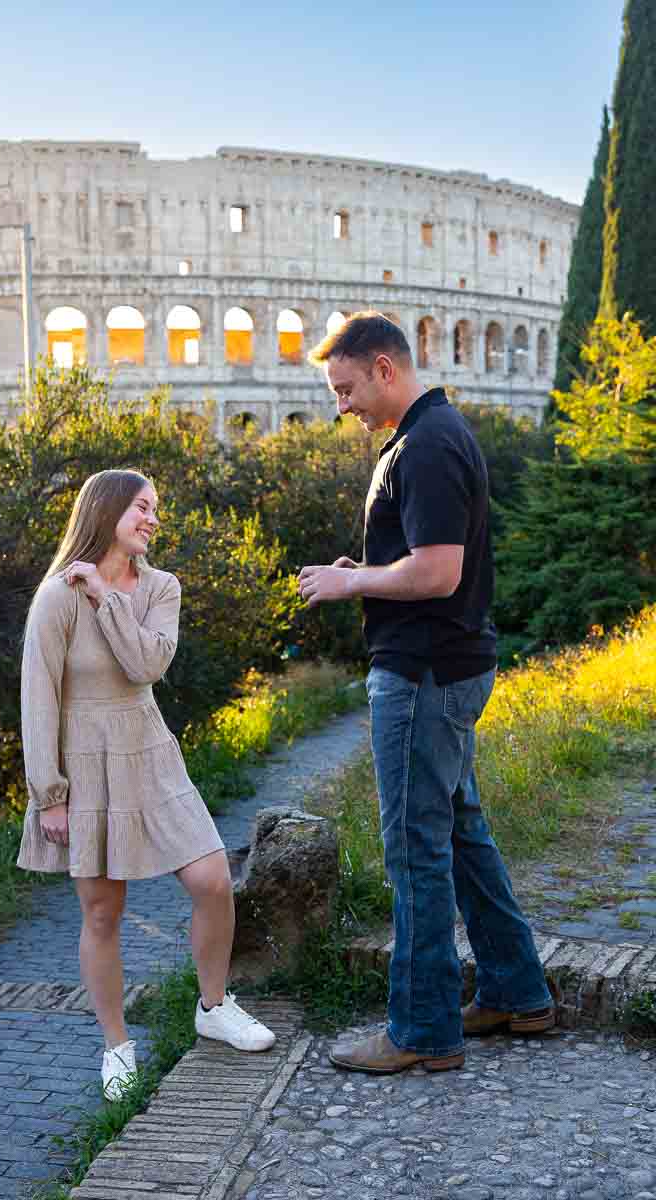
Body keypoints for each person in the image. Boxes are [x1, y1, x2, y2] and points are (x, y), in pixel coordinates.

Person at [299, 312, 553, 1076]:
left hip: (423, 673)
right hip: (443, 663)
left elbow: (438, 573)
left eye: (344, 388)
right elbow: (417, 560)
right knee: (462, 834)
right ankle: (517, 992)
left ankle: (421, 1030)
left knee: (415, 848)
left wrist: (352, 582)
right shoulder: (426, 436)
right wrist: (372, 566)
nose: (340, 405)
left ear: (383, 367)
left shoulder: (428, 443)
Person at [16, 468, 275, 1100]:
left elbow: (146, 666)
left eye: (156, 508)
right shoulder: (55, 596)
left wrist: (106, 598)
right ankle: (117, 1047)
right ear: (106, 512)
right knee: (103, 911)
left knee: (213, 879)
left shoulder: (161, 587)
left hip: (151, 753)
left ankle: (213, 1008)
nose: (153, 518)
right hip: (85, 766)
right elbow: (38, 697)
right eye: (141, 507)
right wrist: (50, 793)